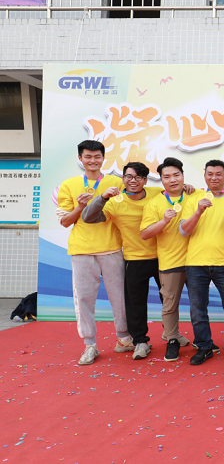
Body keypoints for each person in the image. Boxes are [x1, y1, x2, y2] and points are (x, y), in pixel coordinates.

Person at [82, 161, 166, 360]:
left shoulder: (157, 194)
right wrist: (102, 197)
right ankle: (140, 342)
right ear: (123, 179)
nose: (132, 180)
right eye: (128, 176)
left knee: (169, 300)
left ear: (145, 180)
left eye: (138, 177)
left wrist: (187, 188)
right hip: (134, 258)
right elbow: (88, 217)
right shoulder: (115, 201)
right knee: (135, 305)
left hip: (163, 257)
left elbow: (177, 195)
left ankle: (171, 334)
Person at [56, 140, 130, 366]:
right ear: (80, 158)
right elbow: (64, 221)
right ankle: (90, 345)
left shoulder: (117, 182)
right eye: (88, 156)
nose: (93, 160)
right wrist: (80, 207)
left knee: (120, 297)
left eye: (97, 156)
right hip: (82, 251)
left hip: (112, 248)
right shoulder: (69, 185)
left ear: (103, 158)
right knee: (85, 299)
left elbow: (136, 200)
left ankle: (124, 338)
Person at [179, 160, 224, 365]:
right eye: (210, 174)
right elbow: (184, 231)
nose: (214, 177)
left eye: (218, 174)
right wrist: (199, 211)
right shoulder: (194, 199)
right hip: (195, 264)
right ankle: (204, 347)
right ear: (205, 176)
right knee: (198, 310)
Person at [140, 157, 198, 362]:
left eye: (176, 175)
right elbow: (145, 233)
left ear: (183, 176)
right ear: (161, 179)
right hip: (171, 262)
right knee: (170, 305)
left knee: (198, 304)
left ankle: (202, 339)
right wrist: (164, 220)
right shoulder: (154, 203)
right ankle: (172, 339)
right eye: (167, 177)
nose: (173, 180)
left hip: (196, 261)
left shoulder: (196, 195)